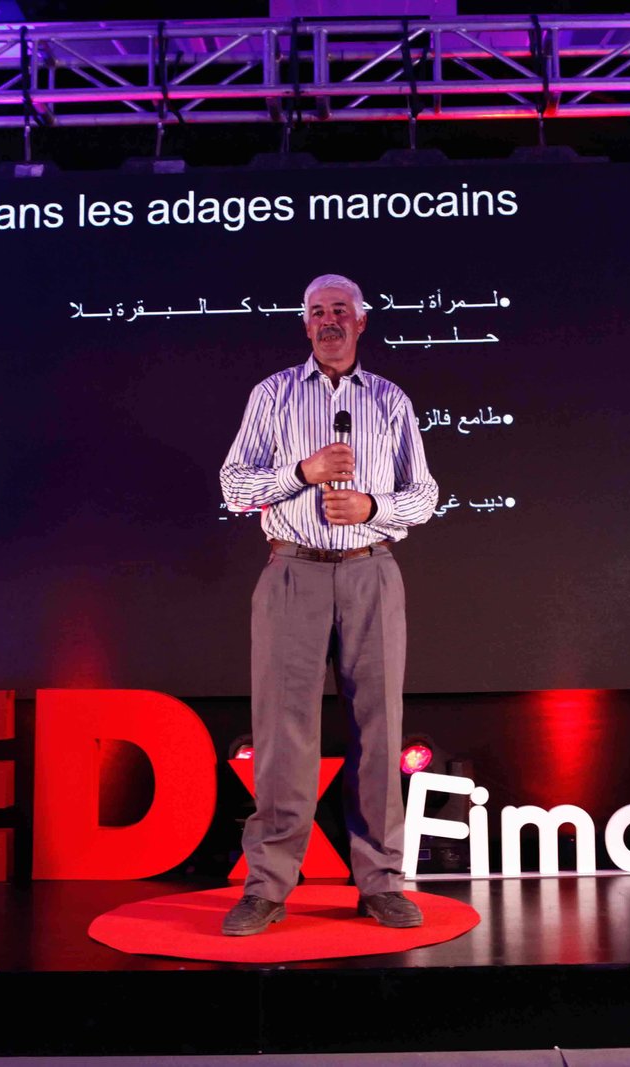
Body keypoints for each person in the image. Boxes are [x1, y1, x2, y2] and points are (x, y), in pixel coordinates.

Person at [218, 273, 439, 936]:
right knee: (283, 734)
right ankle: (267, 886)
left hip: (372, 570)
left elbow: (424, 495)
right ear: (305, 324)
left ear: (361, 321)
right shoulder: (273, 395)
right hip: (293, 570)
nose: (329, 321)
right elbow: (234, 487)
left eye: (341, 309)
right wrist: (301, 473)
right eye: (317, 312)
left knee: (379, 729)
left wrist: (373, 506)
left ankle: (381, 883)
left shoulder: (390, 400)